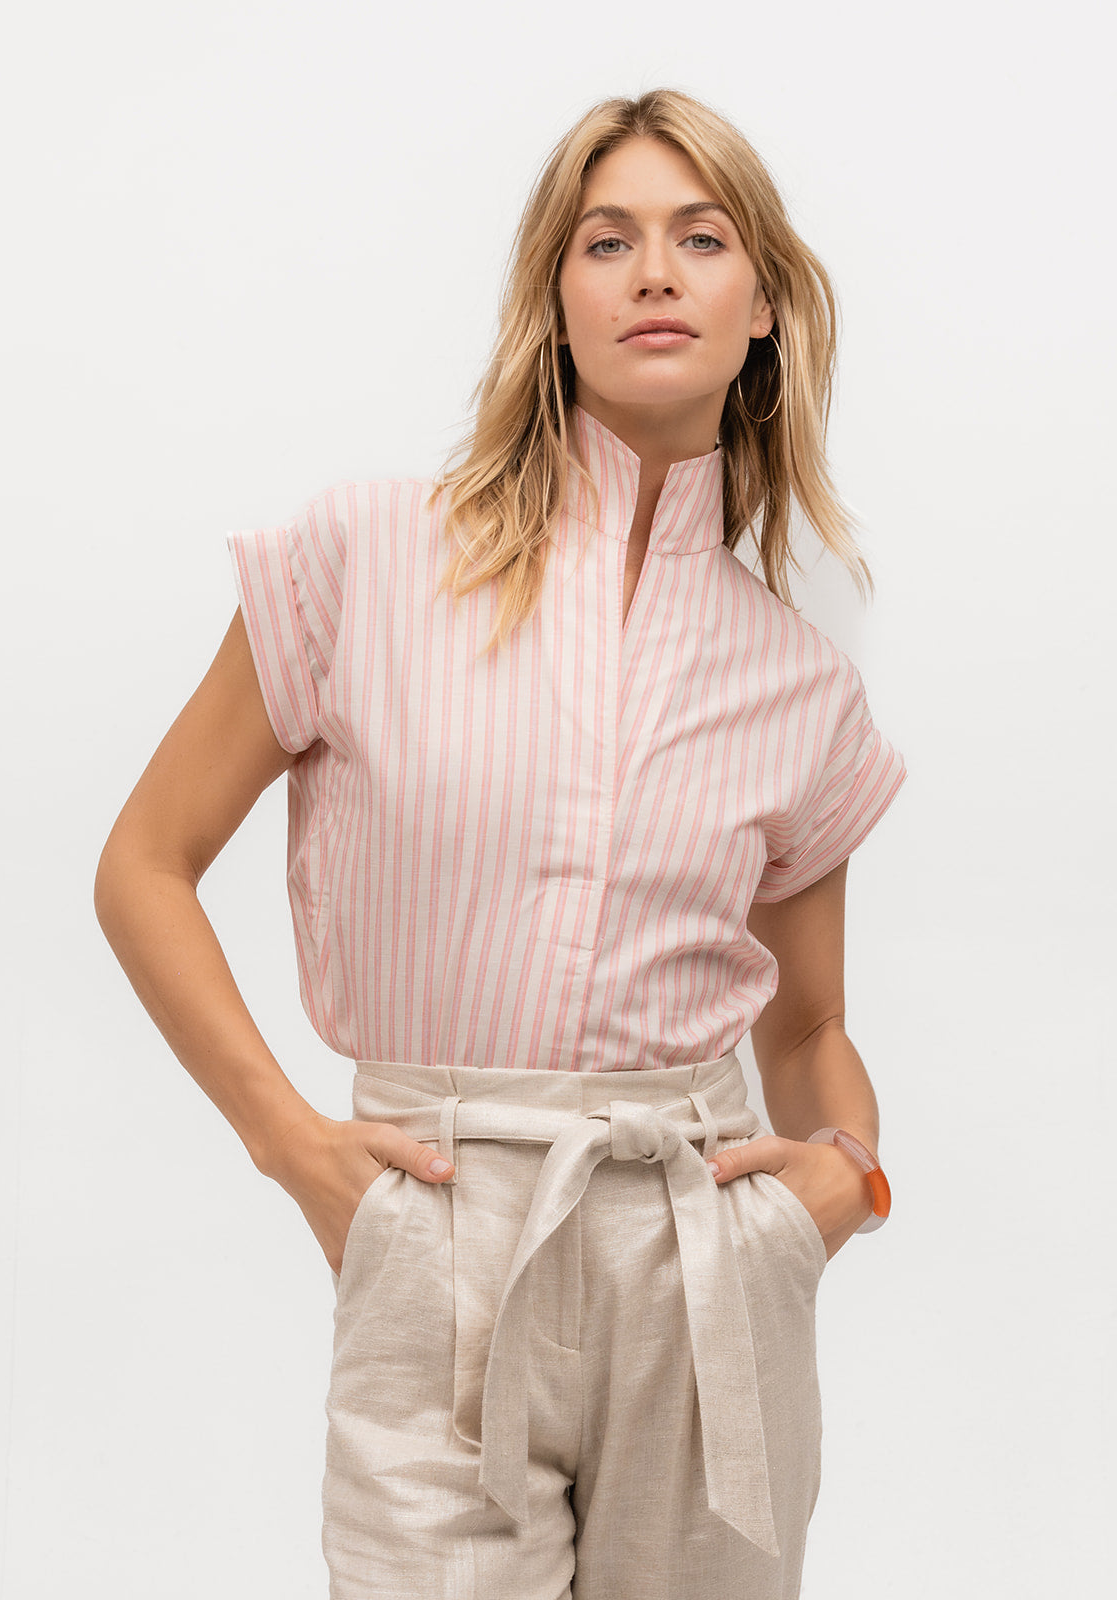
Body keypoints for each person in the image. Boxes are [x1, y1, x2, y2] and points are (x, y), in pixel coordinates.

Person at [95, 87, 907, 1600]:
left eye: (701, 236)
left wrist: (842, 1190)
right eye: (608, 241)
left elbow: (810, 1026)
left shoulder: (801, 685)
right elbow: (143, 862)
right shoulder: (371, 553)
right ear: (553, 300)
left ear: (767, 310)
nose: (654, 272)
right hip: (443, 1233)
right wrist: (296, 1149)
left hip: (709, 1257)